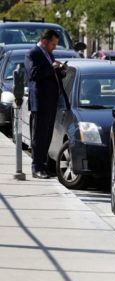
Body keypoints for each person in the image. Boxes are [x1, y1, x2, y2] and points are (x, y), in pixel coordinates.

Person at [24, 29, 69, 179]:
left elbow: (51, 75)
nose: (54, 47)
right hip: (40, 102)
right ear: (44, 41)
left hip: (51, 101)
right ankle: (36, 167)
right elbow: (34, 74)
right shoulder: (33, 54)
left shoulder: (48, 54)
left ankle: (43, 166)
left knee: (47, 136)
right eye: (53, 44)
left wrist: (61, 71)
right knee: (39, 136)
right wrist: (52, 67)